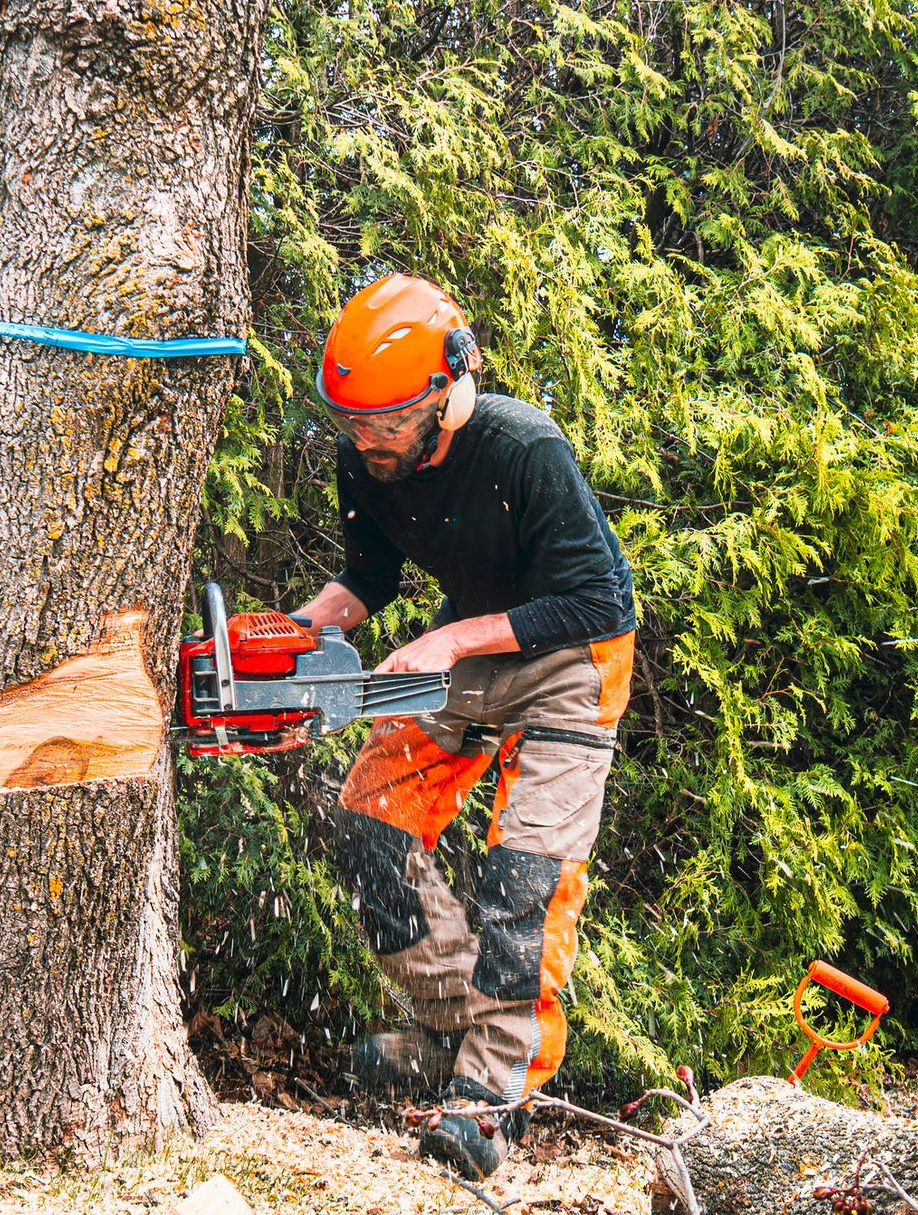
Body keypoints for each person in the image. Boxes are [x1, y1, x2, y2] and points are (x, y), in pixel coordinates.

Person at [291, 274, 636, 1180]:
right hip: (471, 649)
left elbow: (595, 597)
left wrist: (450, 638)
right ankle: (453, 1034)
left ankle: (491, 1099)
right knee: (371, 826)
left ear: (449, 393)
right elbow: (366, 582)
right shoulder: (366, 460)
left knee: (525, 877)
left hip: (572, 658)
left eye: (386, 423)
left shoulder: (525, 448)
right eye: (353, 424)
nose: (365, 441)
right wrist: (286, 652)